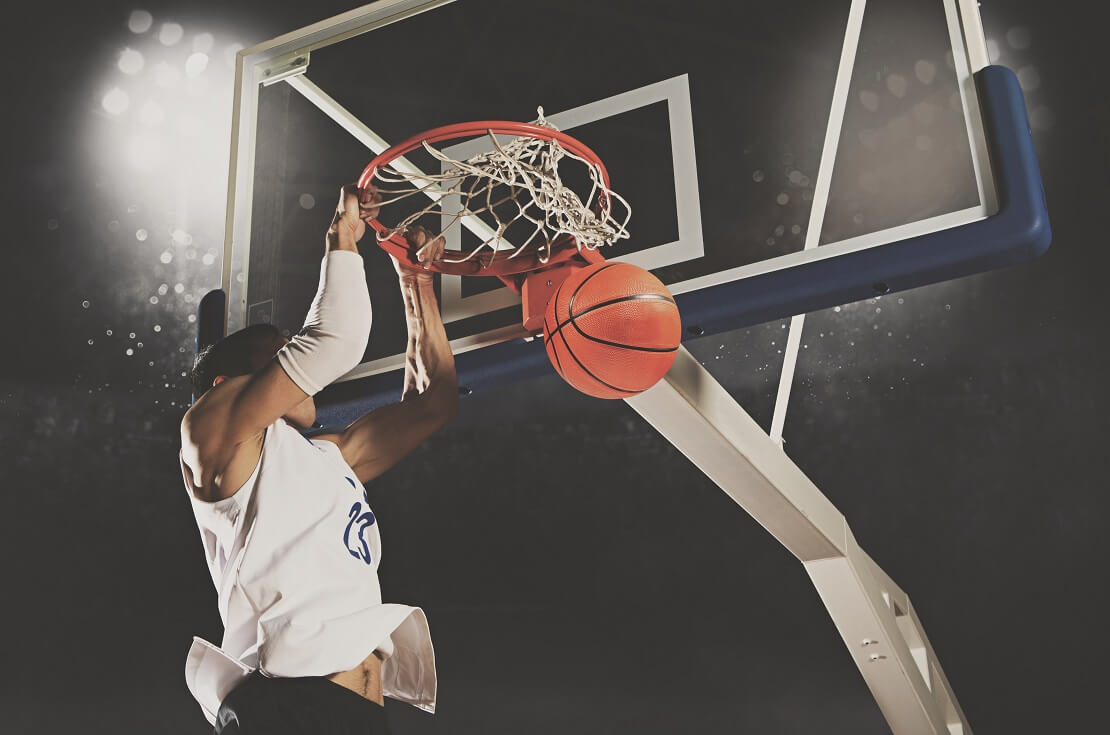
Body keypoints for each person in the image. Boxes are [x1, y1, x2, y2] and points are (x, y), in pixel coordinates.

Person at [180, 184, 456, 733]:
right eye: (281, 349)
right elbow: (334, 341)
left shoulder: (324, 459)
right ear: (225, 381)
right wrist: (342, 239)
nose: (296, 359)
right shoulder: (210, 436)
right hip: (292, 710)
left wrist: (415, 282)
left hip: (342, 711)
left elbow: (432, 405)